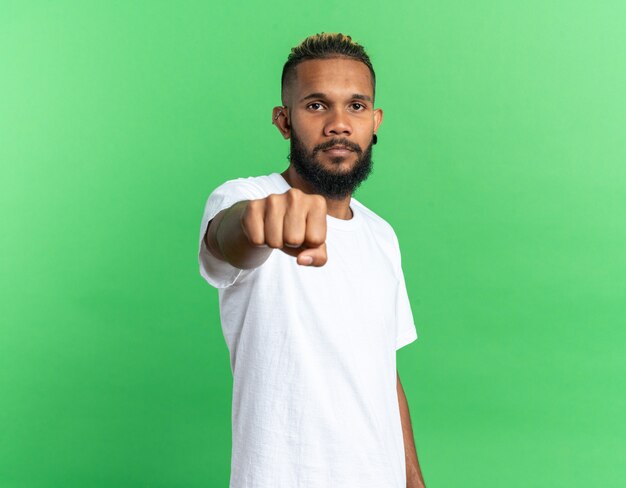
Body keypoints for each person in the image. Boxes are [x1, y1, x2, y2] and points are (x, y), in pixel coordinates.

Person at [198, 32, 426, 488]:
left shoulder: (382, 236)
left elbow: (383, 371)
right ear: (284, 121)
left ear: (375, 120)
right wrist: (258, 222)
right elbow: (228, 239)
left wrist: (414, 480)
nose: (339, 124)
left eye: (356, 106)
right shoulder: (244, 197)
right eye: (317, 105)